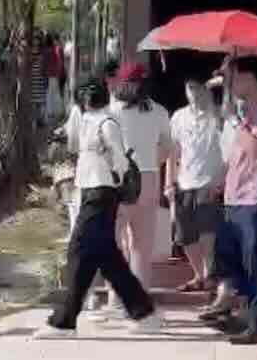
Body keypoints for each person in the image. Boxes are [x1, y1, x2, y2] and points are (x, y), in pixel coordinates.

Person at [37, 78, 160, 336]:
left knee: (79, 251)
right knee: (107, 258)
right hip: (89, 190)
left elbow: (121, 161)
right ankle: (143, 311)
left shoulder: (107, 123)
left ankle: (65, 320)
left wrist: (112, 166)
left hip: (103, 193)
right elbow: (74, 146)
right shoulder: (88, 121)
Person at [203, 56, 257, 344]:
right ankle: (240, 314)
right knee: (228, 257)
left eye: (236, 78)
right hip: (236, 194)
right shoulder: (246, 108)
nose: (232, 85)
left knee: (254, 261)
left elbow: (256, 149)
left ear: (251, 78)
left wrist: (241, 124)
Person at [110, 63, 173, 287]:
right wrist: (149, 161)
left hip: (117, 180)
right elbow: (167, 148)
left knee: (113, 241)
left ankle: (116, 297)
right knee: (142, 246)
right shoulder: (159, 111)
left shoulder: (111, 111)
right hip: (149, 178)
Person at [166, 76, 226, 294]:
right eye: (190, 87)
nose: (194, 93)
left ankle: (210, 275)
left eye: (198, 87)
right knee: (183, 235)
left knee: (207, 231)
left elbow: (229, 150)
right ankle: (199, 275)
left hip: (209, 181)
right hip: (184, 181)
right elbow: (173, 152)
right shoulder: (179, 117)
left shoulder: (218, 115)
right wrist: (169, 183)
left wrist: (222, 181)